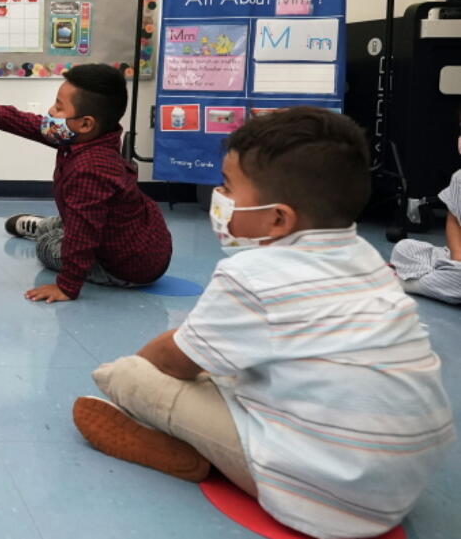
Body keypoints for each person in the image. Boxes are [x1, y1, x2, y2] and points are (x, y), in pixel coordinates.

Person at [75, 108, 454, 539]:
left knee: (129, 374)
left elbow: (174, 361)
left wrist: (138, 375)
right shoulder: (367, 258)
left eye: (227, 187)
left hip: (326, 499)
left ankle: (172, 440)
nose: (218, 196)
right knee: (234, 364)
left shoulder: (252, 273)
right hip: (400, 485)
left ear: (278, 218)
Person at [0, 64, 171, 302]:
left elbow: (83, 236)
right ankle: (45, 225)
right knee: (74, 219)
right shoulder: (93, 137)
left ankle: (43, 231)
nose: (50, 110)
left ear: (86, 123)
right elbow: (28, 123)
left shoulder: (90, 168)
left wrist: (66, 287)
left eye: (59, 106)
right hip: (141, 238)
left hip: (127, 267)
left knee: (47, 247)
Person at [391, 162, 461, 304]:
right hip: (453, 262)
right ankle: (441, 279)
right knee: (404, 247)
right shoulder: (459, 178)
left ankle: (410, 283)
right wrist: (456, 255)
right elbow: (453, 218)